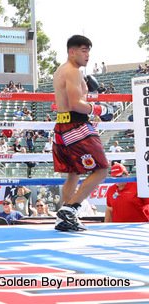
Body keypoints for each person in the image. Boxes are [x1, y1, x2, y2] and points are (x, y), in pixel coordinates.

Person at [52, 35, 109, 232]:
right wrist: (99, 109)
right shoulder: (73, 71)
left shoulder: (62, 70)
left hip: (61, 127)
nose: (87, 55)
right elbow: (76, 104)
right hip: (76, 127)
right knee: (102, 169)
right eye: (83, 50)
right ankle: (71, 208)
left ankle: (65, 219)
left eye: (88, 51)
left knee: (73, 173)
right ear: (72, 51)